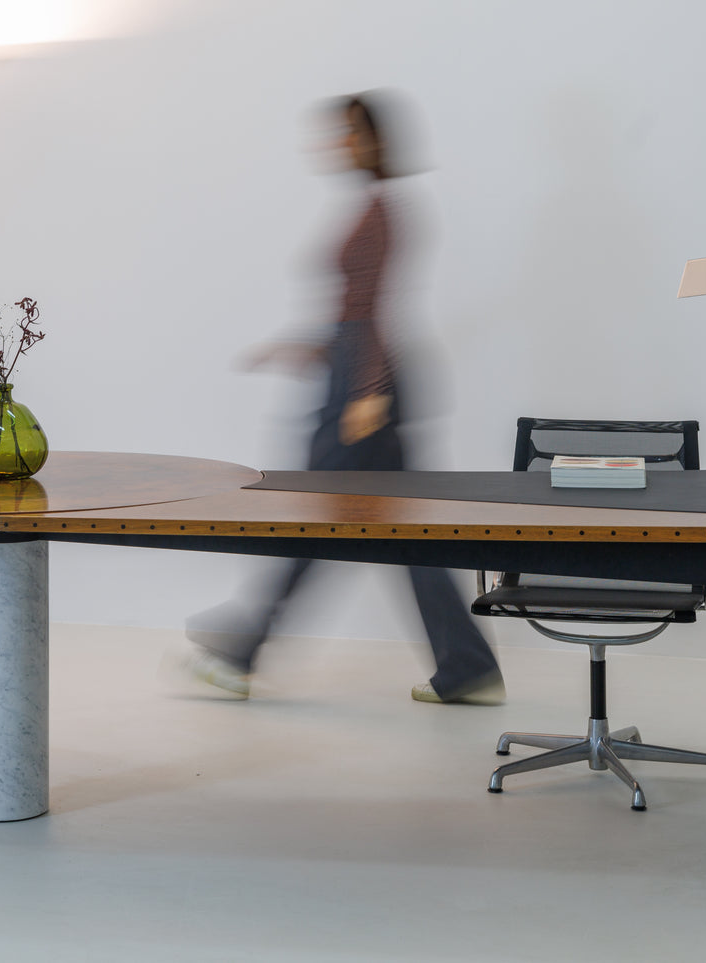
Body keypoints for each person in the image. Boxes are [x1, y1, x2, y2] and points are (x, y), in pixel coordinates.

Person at [183, 91, 504, 706]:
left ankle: (243, 651)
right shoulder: (373, 207)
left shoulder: (383, 212)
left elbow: (377, 310)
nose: (340, 144)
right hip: (358, 370)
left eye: (351, 134)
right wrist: (309, 347)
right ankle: (465, 664)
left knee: (311, 513)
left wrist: (367, 393)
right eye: (338, 134)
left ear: (377, 140)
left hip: (364, 386)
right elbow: (357, 314)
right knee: (407, 533)